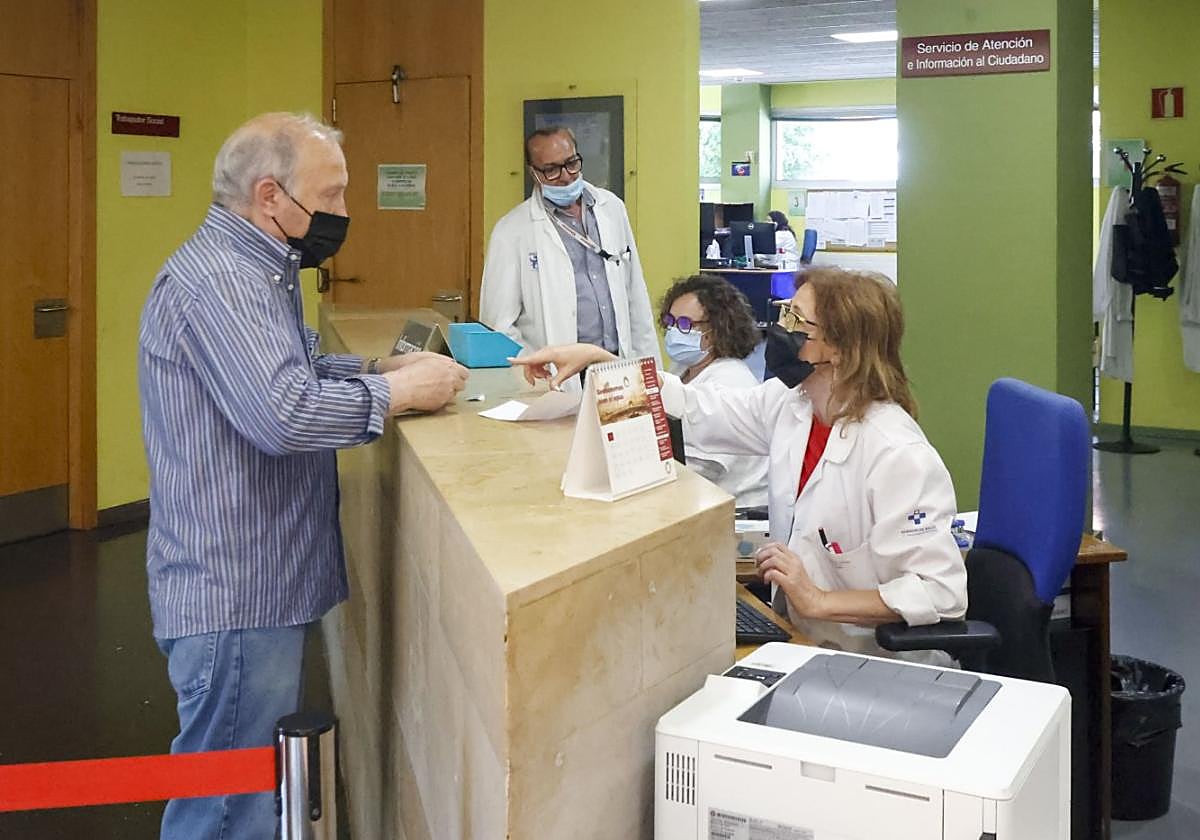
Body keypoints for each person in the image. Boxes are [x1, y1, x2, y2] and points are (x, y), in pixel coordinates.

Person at [138, 112, 467, 839]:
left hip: (255, 581)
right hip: (236, 591)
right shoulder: (224, 280)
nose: (345, 213)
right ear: (268, 196)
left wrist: (377, 369)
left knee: (241, 792)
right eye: (334, 194)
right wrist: (401, 394)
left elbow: (292, 369)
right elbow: (283, 414)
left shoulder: (259, 266)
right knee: (226, 810)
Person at [512, 267, 966, 662]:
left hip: (873, 664)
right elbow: (694, 409)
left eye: (796, 322)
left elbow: (941, 592)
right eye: (784, 313)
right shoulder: (792, 404)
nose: (780, 331)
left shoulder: (896, 454)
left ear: (842, 349)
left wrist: (821, 600)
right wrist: (600, 361)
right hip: (799, 640)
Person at [479, 126, 659, 369]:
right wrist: (534, 365)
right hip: (559, 371)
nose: (565, 176)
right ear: (534, 173)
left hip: (616, 362)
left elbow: (635, 295)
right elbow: (498, 324)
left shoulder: (612, 208)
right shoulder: (512, 231)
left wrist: (650, 368)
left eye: (571, 163)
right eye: (551, 170)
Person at [660, 274, 767, 508]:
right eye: (670, 321)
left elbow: (703, 469)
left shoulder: (732, 381)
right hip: (699, 499)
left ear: (717, 330)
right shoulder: (683, 368)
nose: (674, 331)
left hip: (737, 510)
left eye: (686, 324)